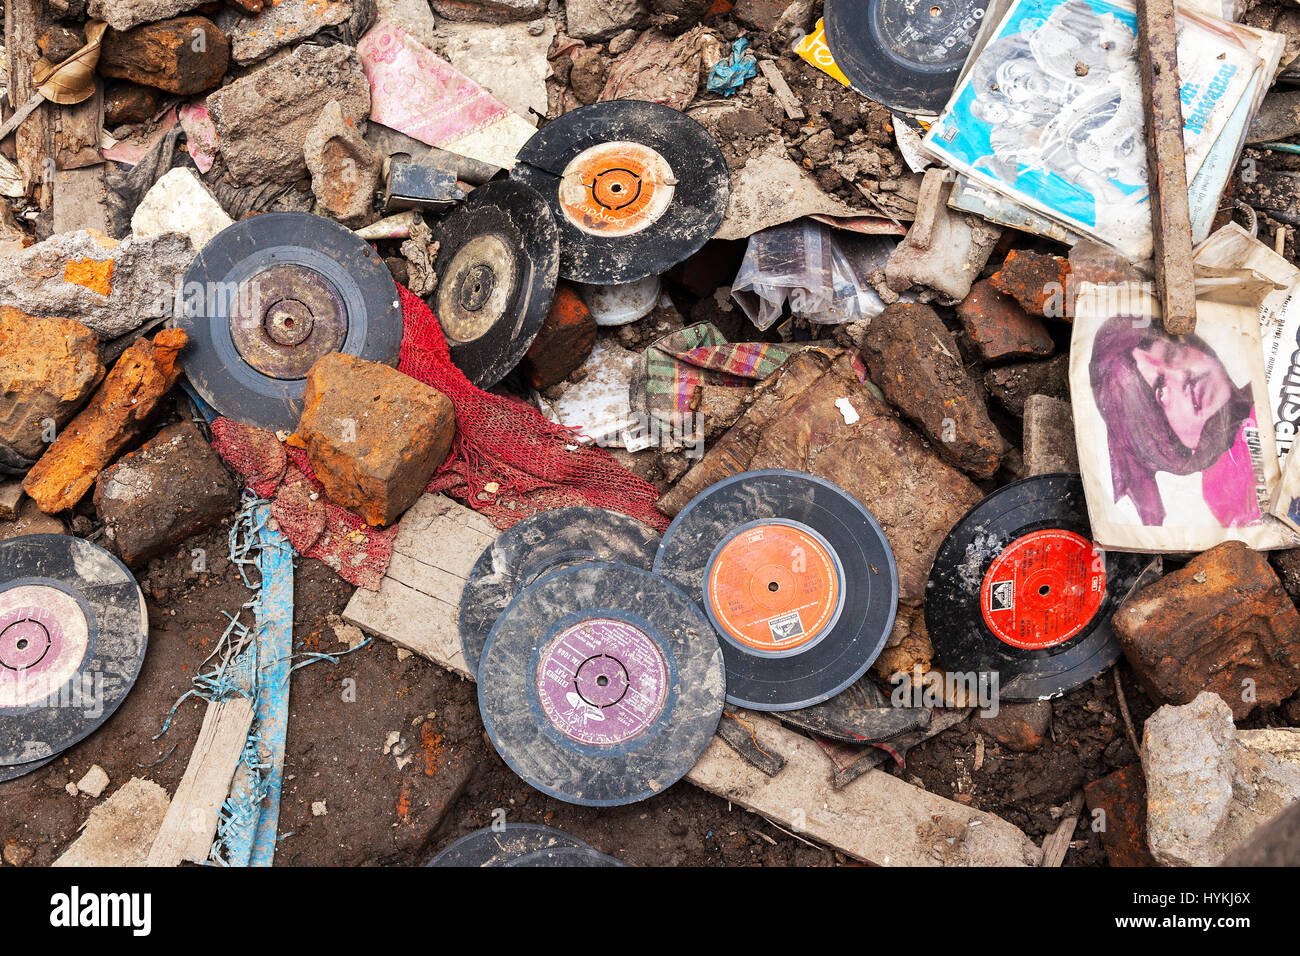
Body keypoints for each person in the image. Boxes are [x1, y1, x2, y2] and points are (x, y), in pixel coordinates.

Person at [1089, 314, 1258, 526]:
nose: (1182, 377)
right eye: (1161, 392)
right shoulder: (1227, 494)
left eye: (1171, 353)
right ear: (1164, 443)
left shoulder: (1268, 366)